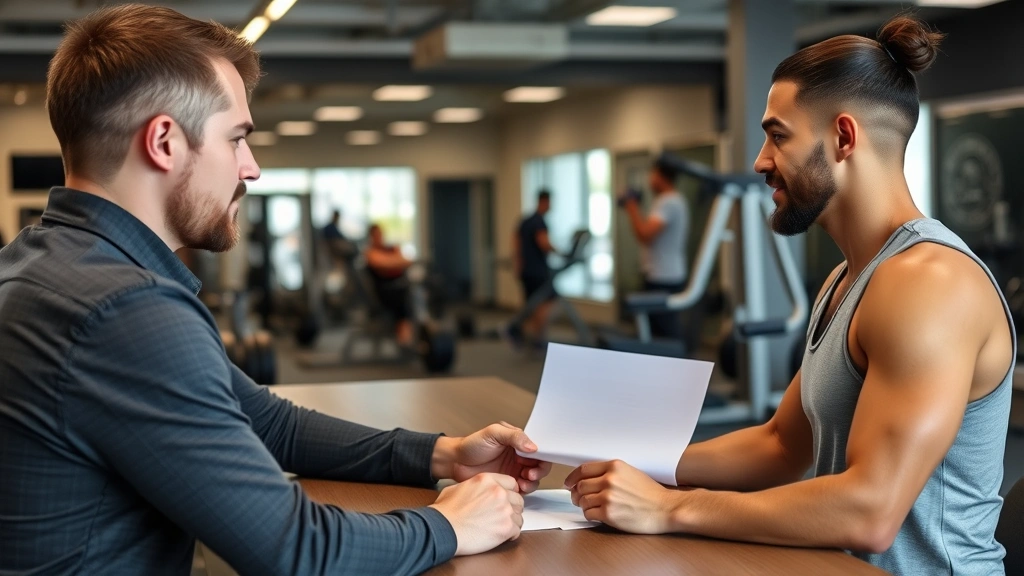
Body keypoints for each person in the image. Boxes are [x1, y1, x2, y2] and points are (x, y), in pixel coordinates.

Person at [0, 6, 551, 576]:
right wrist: (451, 523)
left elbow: (264, 420)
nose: (252, 167)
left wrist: (445, 454)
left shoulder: (35, 264)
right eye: (237, 138)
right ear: (164, 141)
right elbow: (294, 550)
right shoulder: (124, 309)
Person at [565, 16, 1015, 576]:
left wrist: (668, 507)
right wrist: (625, 463)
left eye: (778, 135)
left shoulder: (929, 283)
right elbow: (780, 445)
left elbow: (870, 511)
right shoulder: (844, 280)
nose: (760, 160)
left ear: (844, 138)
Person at [620, 155, 690, 338]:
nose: (650, 179)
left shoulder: (669, 201)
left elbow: (645, 235)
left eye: (652, 173)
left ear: (660, 175)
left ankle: (675, 365)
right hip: (662, 274)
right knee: (656, 330)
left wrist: (632, 207)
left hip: (663, 277)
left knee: (664, 333)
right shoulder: (668, 200)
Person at [510, 189, 558, 346]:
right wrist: (559, 251)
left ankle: (526, 335)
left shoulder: (525, 220)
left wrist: (518, 263)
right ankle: (537, 337)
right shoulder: (539, 221)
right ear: (545, 202)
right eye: (550, 202)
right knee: (545, 301)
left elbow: (516, 241)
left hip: (527, 270)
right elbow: (543, 243)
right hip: (537, 271)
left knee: (530, 303)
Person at [365, 223, 416, 346]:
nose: (379, 237)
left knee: (414, 292)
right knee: (403, 300)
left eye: (380, 234)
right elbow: (384, 263)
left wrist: (396, 259)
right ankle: (404, 339)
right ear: (371, 236)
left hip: (397, 287)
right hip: (385, 293)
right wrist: (396, 259)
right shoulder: (370, 252)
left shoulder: (389, 248)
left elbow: (407, 260)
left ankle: (411, 334)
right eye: (376, 235)